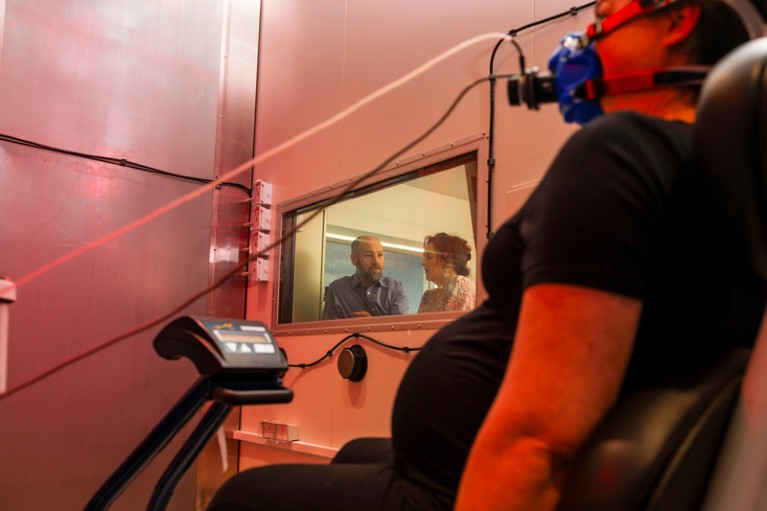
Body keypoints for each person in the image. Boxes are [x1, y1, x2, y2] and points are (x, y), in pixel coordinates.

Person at [208, 1, 766, 510]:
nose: (588, 36)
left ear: (677, 19)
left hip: (455, 488)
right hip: (458, 459)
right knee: (355, 450)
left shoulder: (624, 153)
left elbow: (540, 438)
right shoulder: (732, 189)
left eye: (605, 14)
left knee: (241, 497)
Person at [321, 235, 409, 319]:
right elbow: (329, 331)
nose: (376, 261)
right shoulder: (337, 290)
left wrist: (372, 324)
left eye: (380, 255)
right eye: (369, 255)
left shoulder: (396, 289)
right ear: (354, 259)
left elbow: (401, 330)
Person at [418, 233, 476, 313]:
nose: (423, 263)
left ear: (447, 260)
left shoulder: (462, 284)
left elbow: (453, 324)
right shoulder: (428, 296)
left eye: (429, 257)